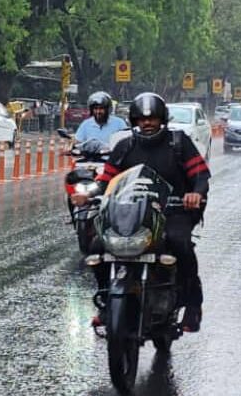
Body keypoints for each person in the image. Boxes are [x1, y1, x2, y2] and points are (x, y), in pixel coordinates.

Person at [71, 92, 210, 333]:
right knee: (97, 246)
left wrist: (195, 193)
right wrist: (88, 194)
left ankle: (192, 305)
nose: (147, 123)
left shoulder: (178, 143)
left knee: (180, 243)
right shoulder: (125, 146)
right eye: (142, 119)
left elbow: (200, 175)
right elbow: (106, 180)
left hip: (172, 212)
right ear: (134, 121)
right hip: (132, 212)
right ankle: (106, 303)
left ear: (162, 119)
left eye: (153, 118)